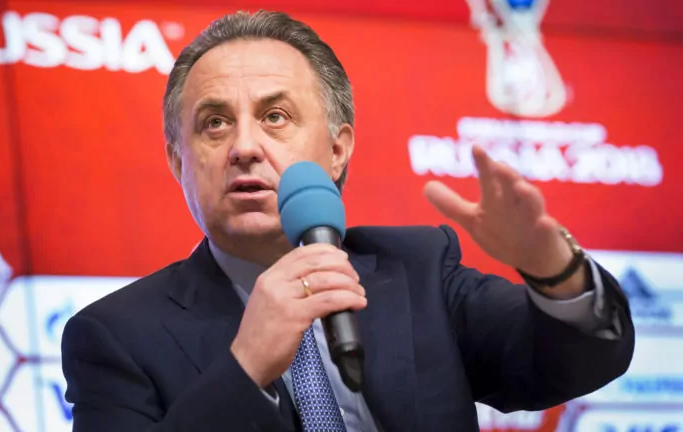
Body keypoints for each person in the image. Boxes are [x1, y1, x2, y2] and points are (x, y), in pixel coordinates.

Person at [61, 10, 634, 432]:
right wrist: (246, 366)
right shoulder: (115, 337)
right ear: (178, 161)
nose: (244, 147)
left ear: (337, 150)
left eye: (275, 116)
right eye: (214, 123)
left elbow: (570, 364)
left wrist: (554, 272)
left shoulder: (418, 272)